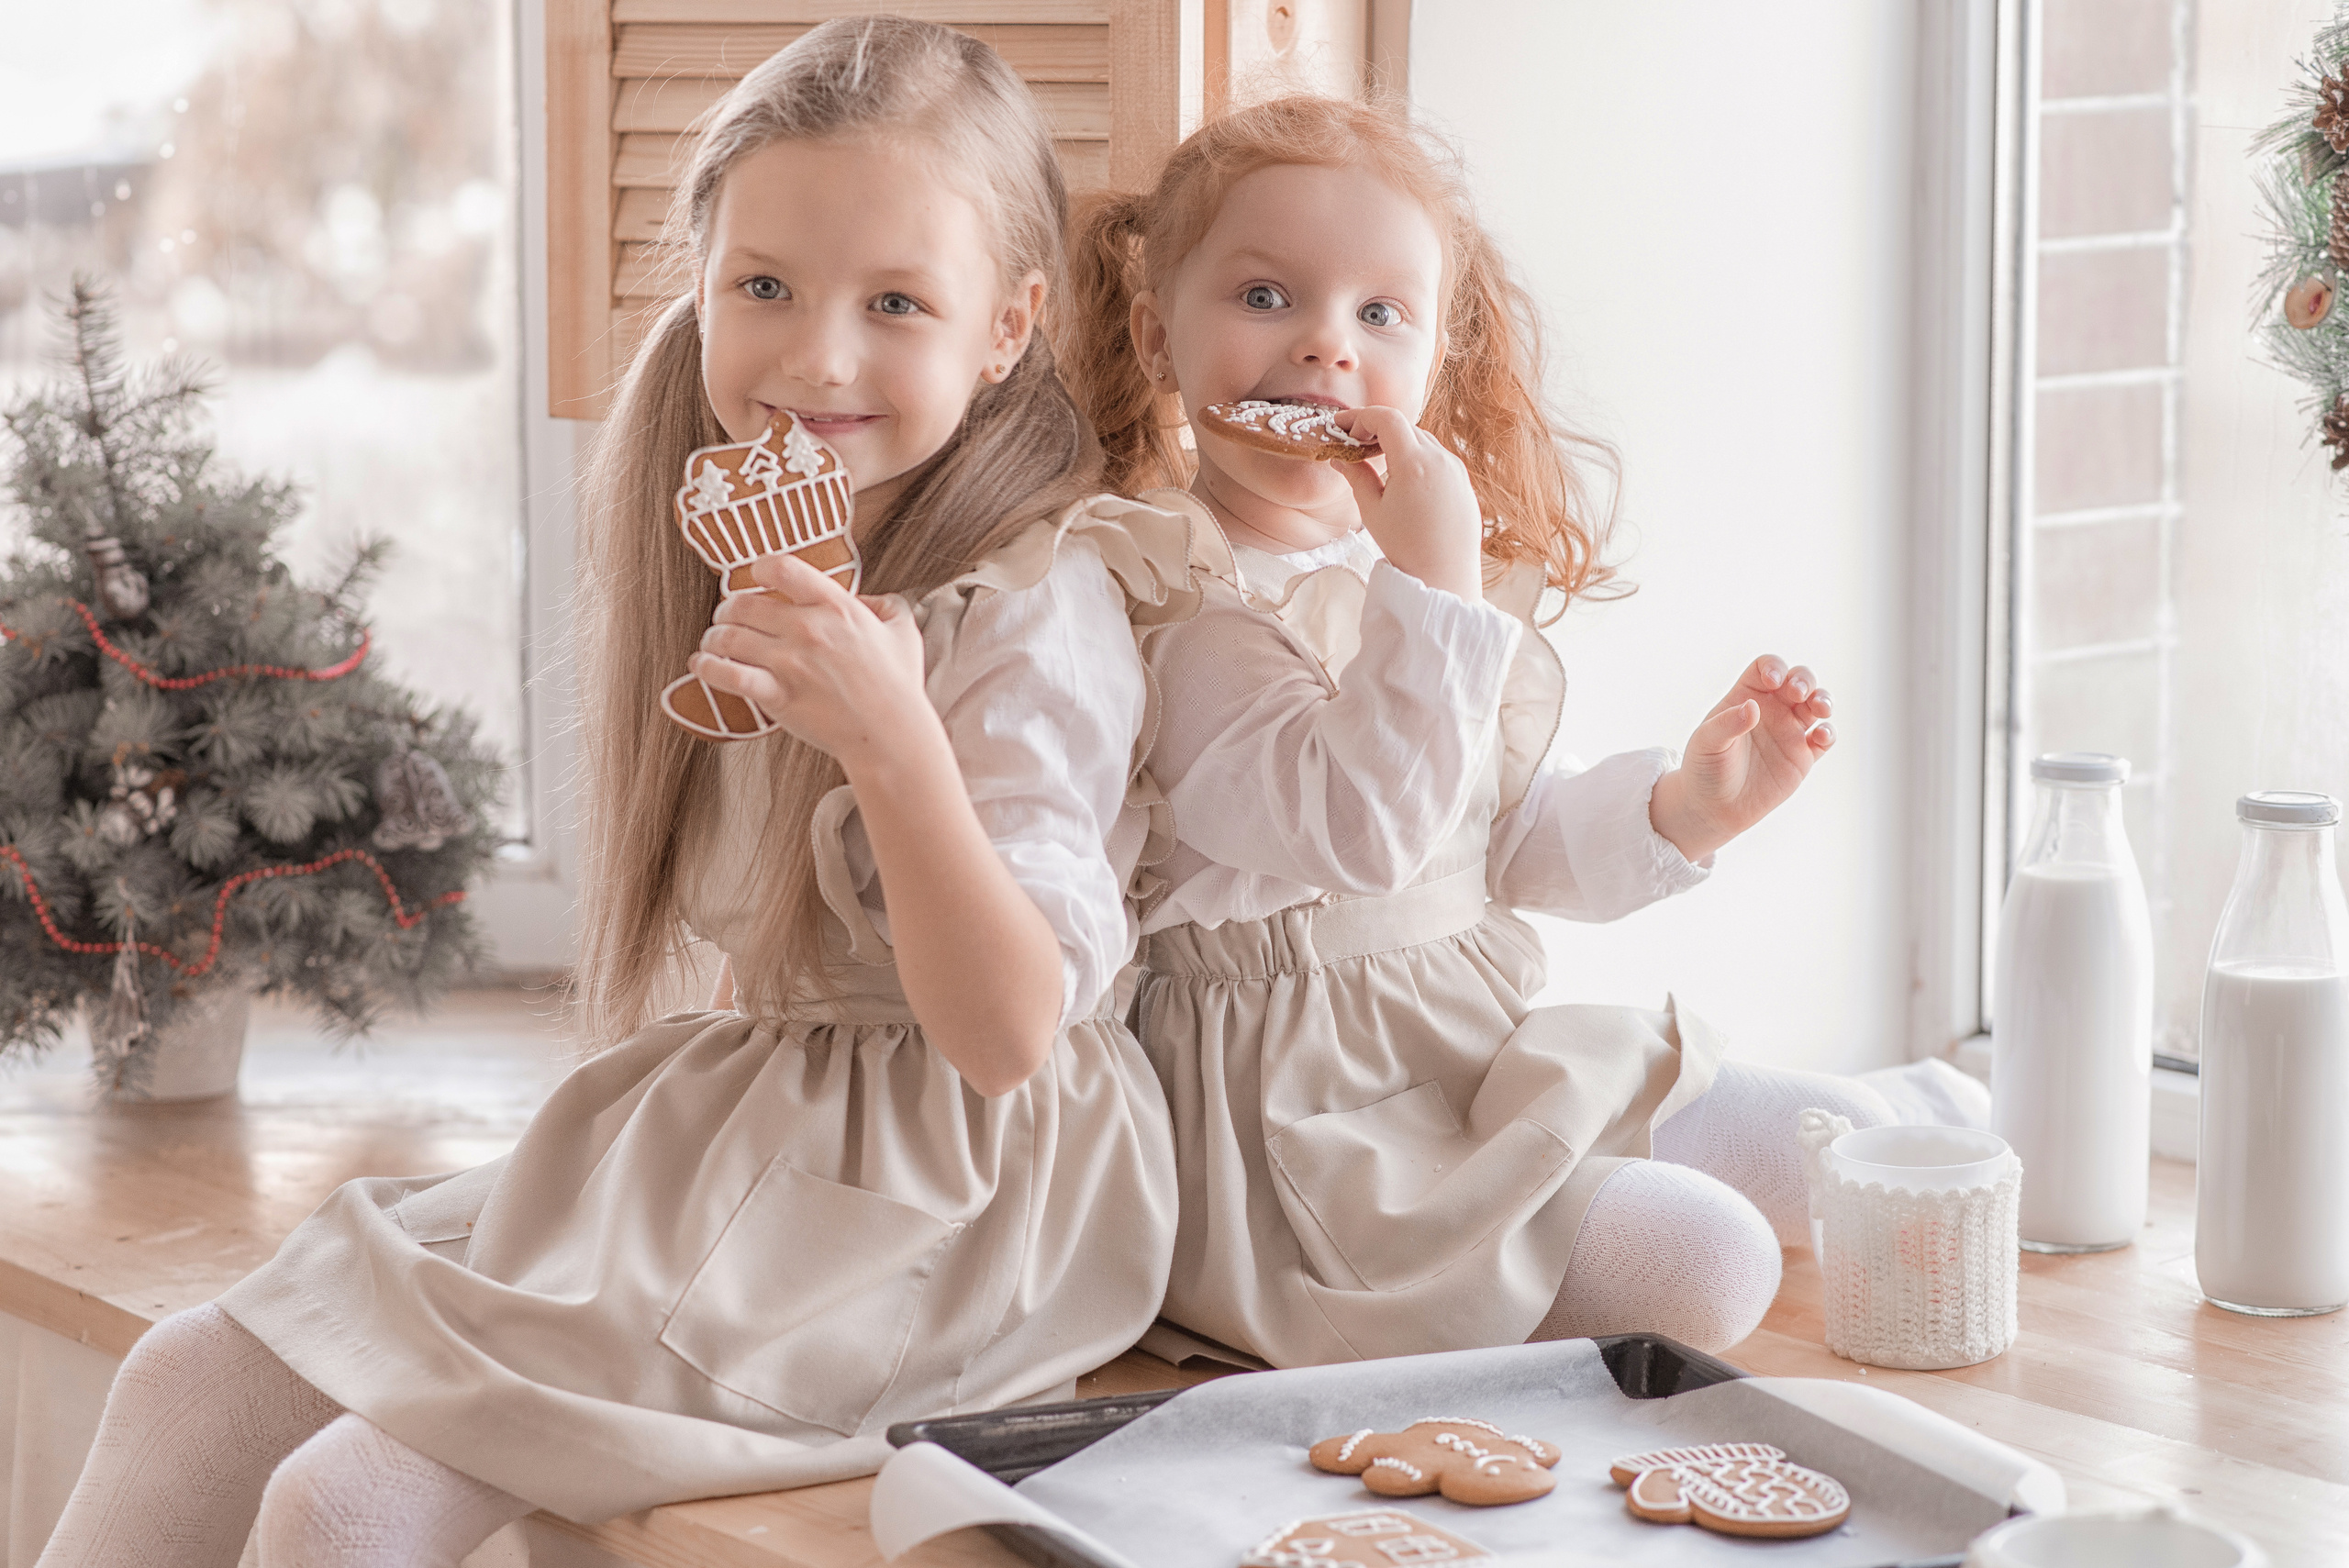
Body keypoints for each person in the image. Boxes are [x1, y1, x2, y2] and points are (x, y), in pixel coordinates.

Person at [41, 19, 1191, 1566]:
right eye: (764, 287)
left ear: (1006, 327)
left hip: (954, 1192)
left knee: (345, 1502)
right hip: (759, 1120)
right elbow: (766, 950)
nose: (817, 356)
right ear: (704, 285)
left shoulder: (1034, 609)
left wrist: (892, 738)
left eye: (897, 302)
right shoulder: (745, 536)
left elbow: (1005, 1036)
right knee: (189, 1376)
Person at [1065, 94, 1987, 1368]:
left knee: (1815, 1131)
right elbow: (1367, 832)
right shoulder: (1171, 603)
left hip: (1463, 1047)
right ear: (1156, 332)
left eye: (1380, 314)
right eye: (1267, 297)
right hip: (1310, 1126)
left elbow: (1495, 837)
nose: (1329, 348)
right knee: (1716, 1263)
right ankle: (1853, 1143)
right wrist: (1433, 585)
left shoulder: (1383, 567)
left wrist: (1685, 808)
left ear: (1435, 359)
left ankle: (1896, 1125)